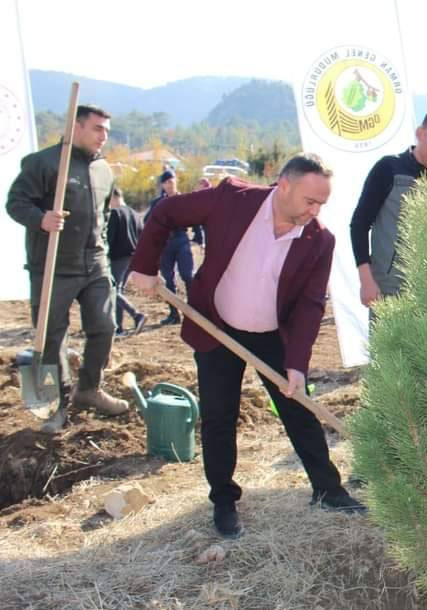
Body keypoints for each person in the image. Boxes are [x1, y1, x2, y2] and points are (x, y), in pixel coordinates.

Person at [127, 154, 365, 539]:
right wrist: (145, 266)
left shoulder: (319, 239)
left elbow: (309, 306)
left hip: (272, 335)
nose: (316, 210)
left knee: (298, 407)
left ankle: (328, 489)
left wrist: (297, 365)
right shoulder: (231, 200)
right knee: (220, 416)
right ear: (283, 185)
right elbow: (166, 213)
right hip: (216, 327)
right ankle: (224, 501)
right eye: (310, 200)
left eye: (322, 203)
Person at [6, 104, 128, 433]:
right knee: (51, 339)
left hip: (94, 265)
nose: (104, 136)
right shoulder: (44, 164)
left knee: (105, 326)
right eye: (98, 128)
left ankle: (89, 389)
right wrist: (41, 219)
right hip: (53, 267)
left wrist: (101, 250)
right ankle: (54, 405)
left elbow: (102, 217)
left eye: (107, 130)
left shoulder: (104, 169)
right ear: (76, 128)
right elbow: (15, 202)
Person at [351, 111, 427, 310]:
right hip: (388, 288)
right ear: (420, 133)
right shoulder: (388, 168)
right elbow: (359, 224)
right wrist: (366, 280)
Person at [145, 169, 197, 325]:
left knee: (187, 275)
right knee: (168, 280)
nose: (169, 185)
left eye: (171, 181)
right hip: (165, 243)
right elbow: (149, 222)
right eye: (166, 182)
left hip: (182, 240)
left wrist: (200, 239)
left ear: (176, 181)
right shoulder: (157, 203)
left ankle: (194, 311)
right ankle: (174, 314)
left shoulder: (185, 200)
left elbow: (197, 218)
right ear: (162, 184)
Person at [105, 187, 147, 337]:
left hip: (119, 257)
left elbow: (110, 237)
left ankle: (136, 315)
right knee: (119, 290)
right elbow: (143, 235)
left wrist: (105, 255)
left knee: (113, 290)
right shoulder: (135, 214)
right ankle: (118, 328)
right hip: (133, 256)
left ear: (114, 197)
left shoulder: (115, 213)